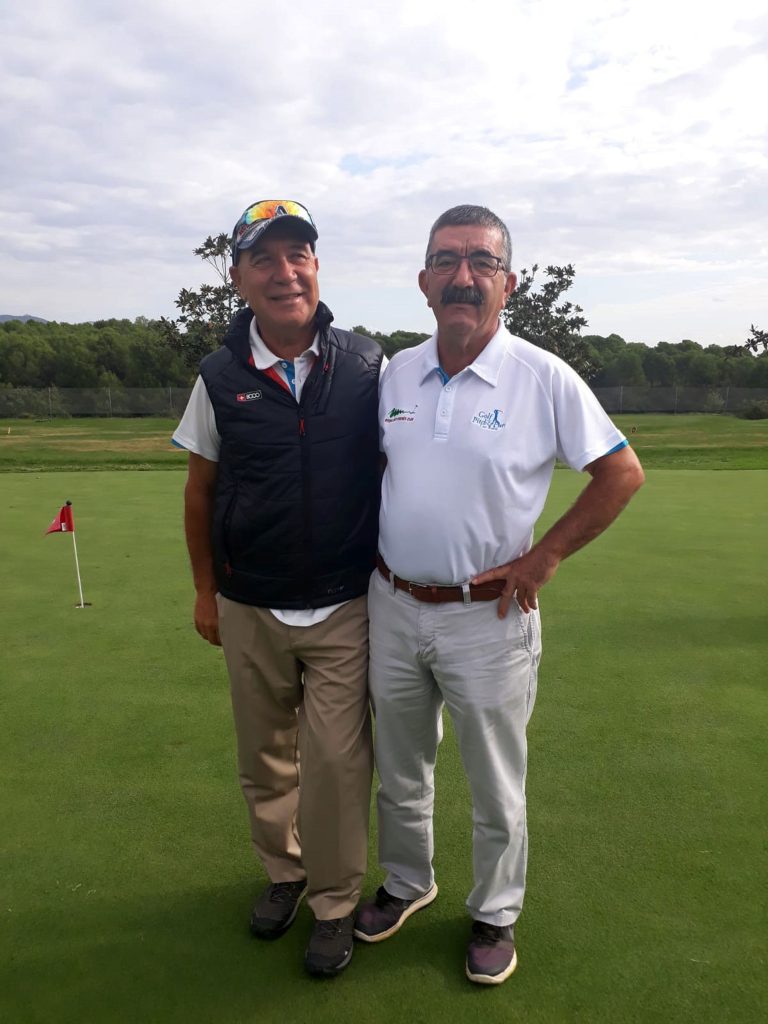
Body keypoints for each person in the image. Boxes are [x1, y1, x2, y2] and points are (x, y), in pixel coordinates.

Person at [354, 205, 644, 985]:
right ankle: (407, 882)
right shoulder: (395, 373)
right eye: (447, 261)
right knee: (400, 768)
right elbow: (381, 471)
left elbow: (621, 472)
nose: (463, 277)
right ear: (423, 282)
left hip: (489, 617)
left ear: (507, 283)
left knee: (494, 782)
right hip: (393, 603)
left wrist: (544, 558)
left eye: (481, 262)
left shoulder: (542, 377)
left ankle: (494, 911)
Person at [173, 200, 384, 977]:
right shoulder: (218, 376)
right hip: (250, 601)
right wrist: (206, 592)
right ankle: (284, 873)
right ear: (238, 279)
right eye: (263, 259)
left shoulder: (367, 365)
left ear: (317, 268)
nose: (284, 272)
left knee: (334, 767)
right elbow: (200, 492)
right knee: (264, 759)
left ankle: (333, 902)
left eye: (298, 255)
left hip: (344, 602)